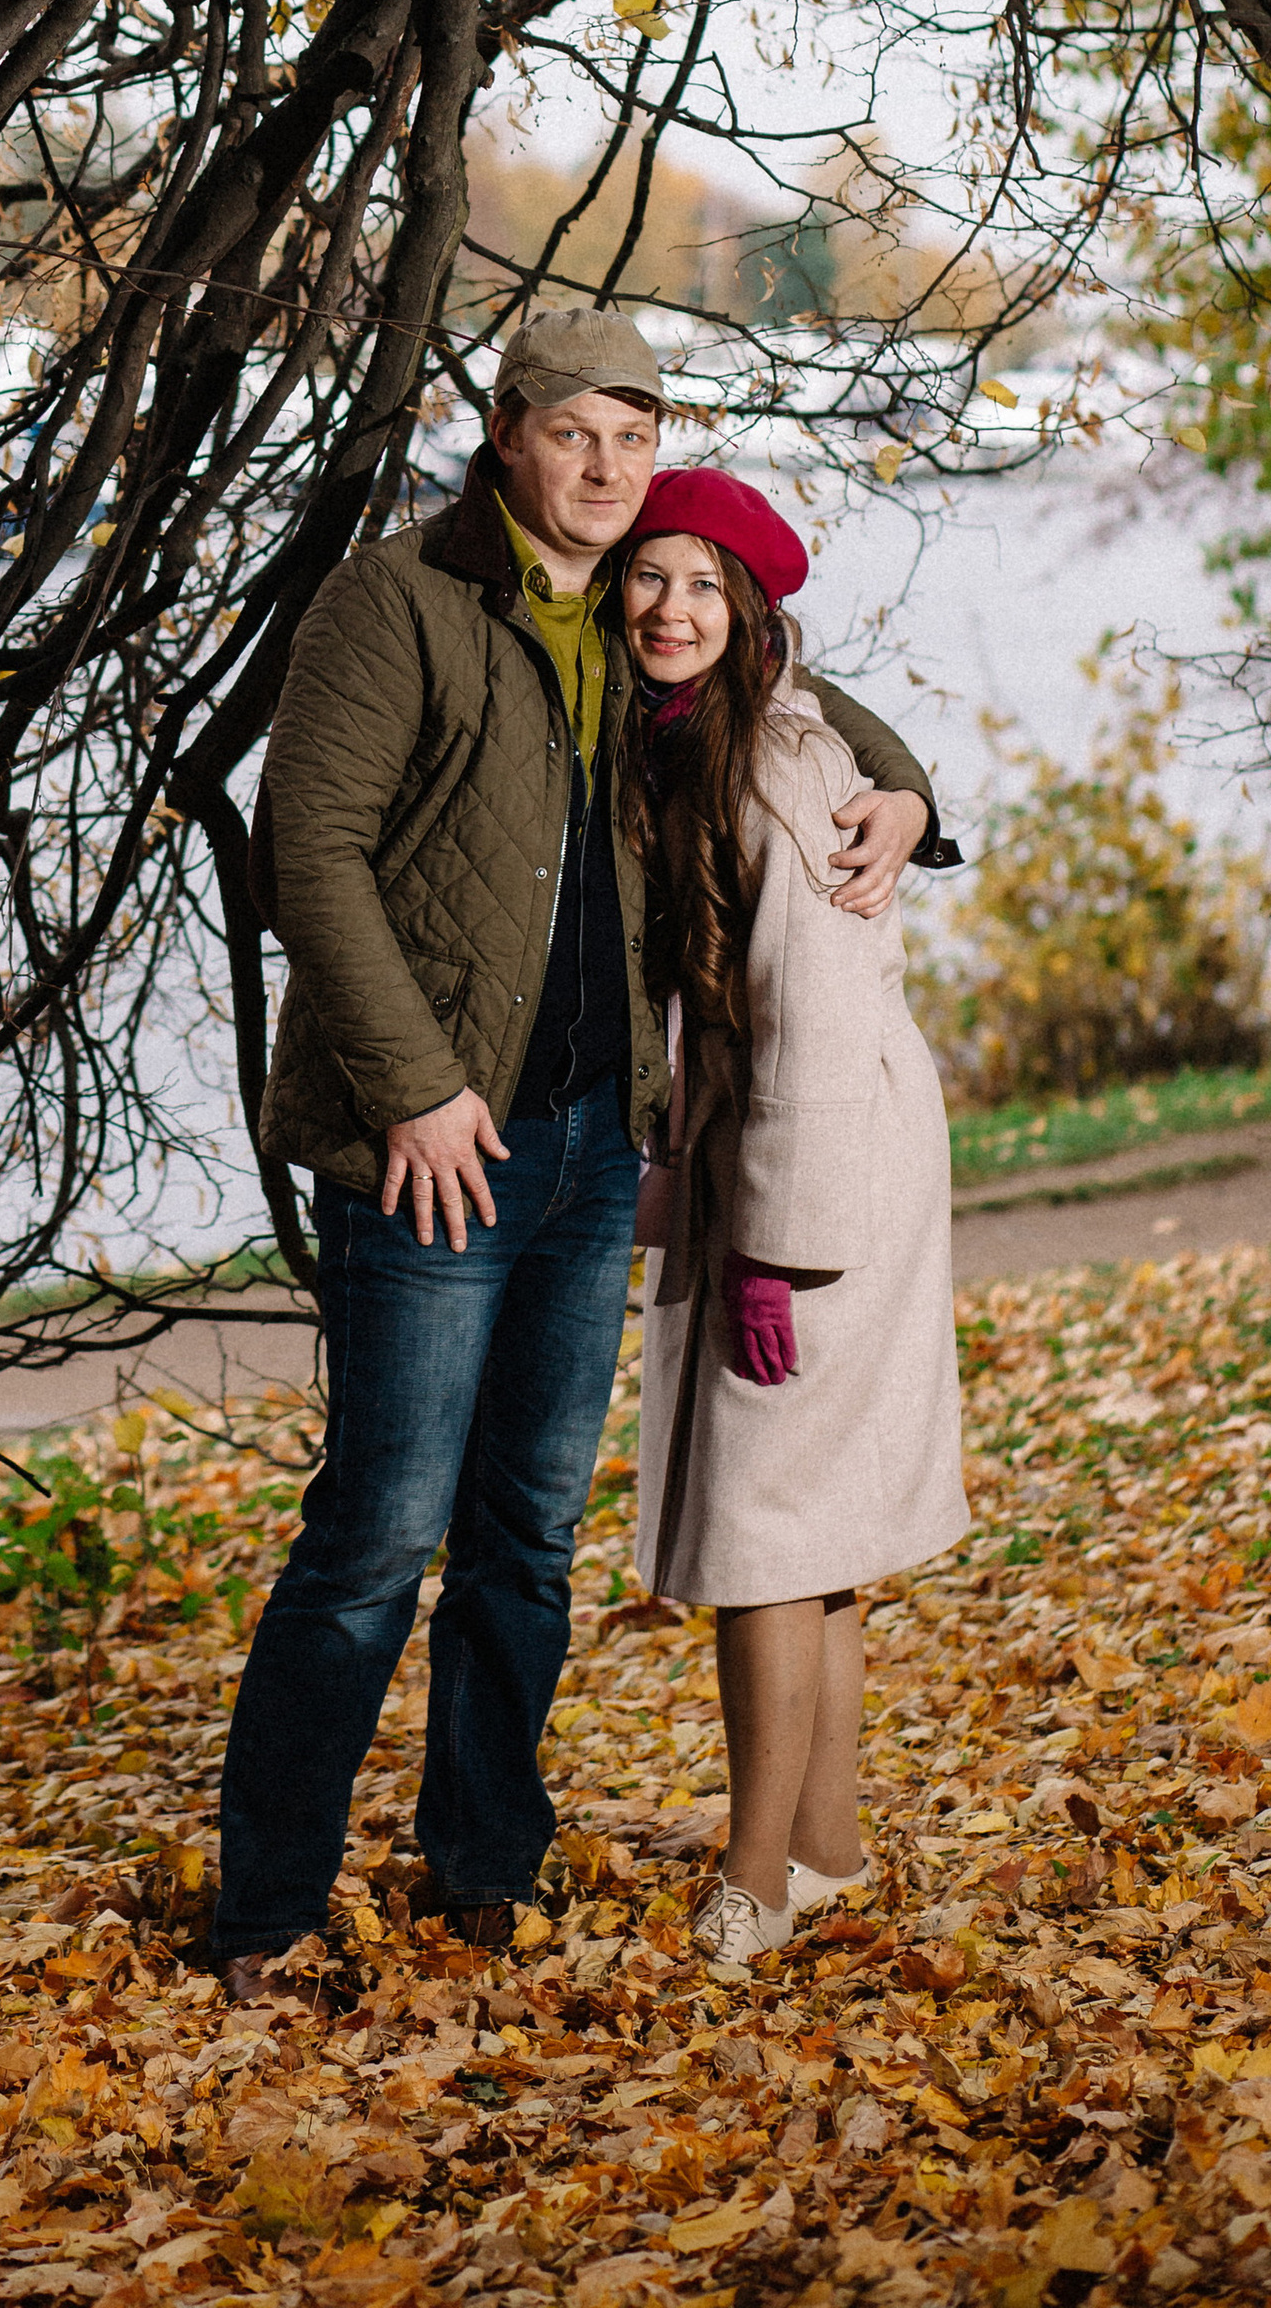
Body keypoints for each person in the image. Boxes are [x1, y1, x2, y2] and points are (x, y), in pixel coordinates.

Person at [212, 313, 953, 1997]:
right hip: (431, 1154)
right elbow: (303, 849)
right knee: (376, 1540)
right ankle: (268, 1908)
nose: (606, 469)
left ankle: (482, 1862)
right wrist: (407, 1086)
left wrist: (904, 791)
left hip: (590, 1149)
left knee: (528, 1538)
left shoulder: (640, 625)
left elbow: (792, 693)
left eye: (635, 436)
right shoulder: (394, 602)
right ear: (506, 431)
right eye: (575, 434)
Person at [618, 469, 968, 1970]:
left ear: (752, 612)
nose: (671, 611)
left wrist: (775, 1246)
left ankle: (751, 1881)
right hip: (798, 1154)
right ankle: (826, 1845)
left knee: (762, 1528)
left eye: (703, 588)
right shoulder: (706, 742)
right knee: (809, 1529)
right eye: (649, 582)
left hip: (817, 1173)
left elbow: (814, 1016)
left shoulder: (770, 765)